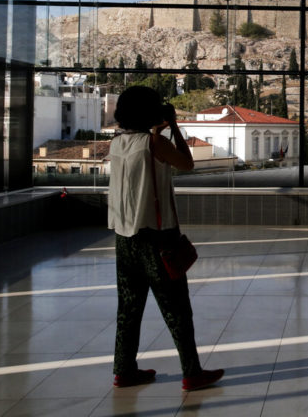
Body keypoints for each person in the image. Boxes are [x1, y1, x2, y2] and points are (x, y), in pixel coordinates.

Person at [108, 86, 224, 391]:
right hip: (157, 238)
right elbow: (187, 163)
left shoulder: (117, 142)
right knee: (176, 309)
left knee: (129, 308)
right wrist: (173, 126)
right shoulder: (154, 142)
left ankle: (123, 370)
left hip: (124, 237)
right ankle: (191, 372)